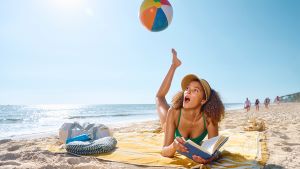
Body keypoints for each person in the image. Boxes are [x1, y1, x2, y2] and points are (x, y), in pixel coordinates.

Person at [155, 49, 225, 164]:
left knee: (159, 98)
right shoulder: (173, 111)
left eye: (195, 90)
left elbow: (215, 151)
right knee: (159, 97)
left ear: (203, 100)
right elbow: (164, 151)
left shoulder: (209, 118)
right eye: (187, 89)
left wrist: (210, 158)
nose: (187, 92)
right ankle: (174, 65)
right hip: (169, 123)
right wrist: (173, 147)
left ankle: (174, 64)